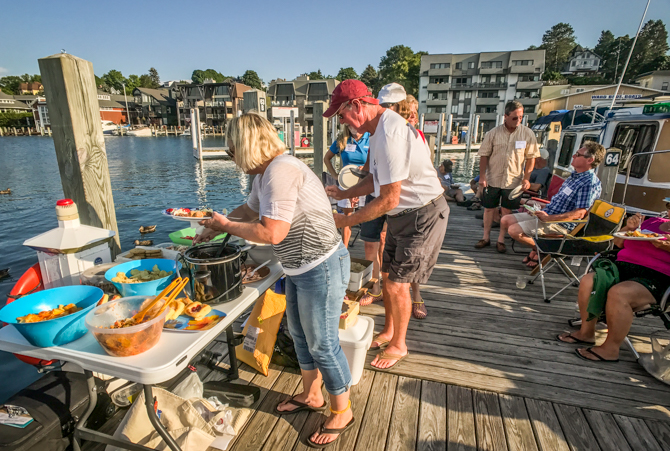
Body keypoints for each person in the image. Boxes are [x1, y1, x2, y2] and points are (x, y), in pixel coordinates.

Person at [194, 113, 354, 448]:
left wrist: (225, 227)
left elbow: (271, 232)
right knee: (299, 335)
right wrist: (213, 224)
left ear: (248, 146)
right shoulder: (264, 175)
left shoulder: (281, 170)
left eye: (231, 151)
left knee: (323, 343)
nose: (232, 159)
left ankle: (343, 409)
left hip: (321, 265)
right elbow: (249, 212)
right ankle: (313, 396)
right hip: (298, 267)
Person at [324, 79, 449, 370]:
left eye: (341, 115)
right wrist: (344, 193)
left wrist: (346, 220)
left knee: (395, 284)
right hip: (403, 215)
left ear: (357, 106)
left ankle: (399, 345)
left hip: (422, 214)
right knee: (391, 275)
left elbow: (389, 198)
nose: (342, 122)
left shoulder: (390, 131)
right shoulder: (379, 130)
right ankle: (390, 331)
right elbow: (373, 180)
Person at [557, 211, 670, 362]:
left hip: (657, 277)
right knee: (589, 281)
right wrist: (628, 228)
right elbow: (618, 242)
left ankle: (610, 349)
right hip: (621, 267)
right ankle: (586, 333)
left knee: (619, 293)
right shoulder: (653, 221)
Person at [373, 84, 430, 320]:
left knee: (407, 268)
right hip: (395, 207)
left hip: (413, 208)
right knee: (389, 261)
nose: (412, 115)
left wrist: (349, 218)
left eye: (414, 111)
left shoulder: (414, 135)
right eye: (410, 110)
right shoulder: (384, 133)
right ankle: (383, 299)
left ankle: (416, 295)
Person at [500, 141, 606, 268]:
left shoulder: (589, 183)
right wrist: (535, 209)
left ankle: (543, 250)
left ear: (590, 160)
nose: (573, 156)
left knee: (514, 230)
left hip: (560, 224)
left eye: (578, 154)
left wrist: (548, 218)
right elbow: (556, 204)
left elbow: (580, 212)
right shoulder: (574, 177)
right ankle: (539, 249)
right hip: (548, 215)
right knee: (506, 220)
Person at [475, 101, 540, 254]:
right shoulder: (493, 133)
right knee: (489, 209)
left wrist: (526, 178)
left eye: (521, 117)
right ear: (505, 116)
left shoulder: (527, 134)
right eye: (515, 118)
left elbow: (531, 157)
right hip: (493, 178)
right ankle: (485, 237)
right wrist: (482, 177)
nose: (518, 121)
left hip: (513, 180)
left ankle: (501, 240)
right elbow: (484, 155)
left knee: (507, 211)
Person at [324, 125, 370, 248]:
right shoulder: (343, 139)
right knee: (347, 217)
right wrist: (335, 176)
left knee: (368, 215)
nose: (354, 127)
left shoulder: (370, 137)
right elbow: (327, 158)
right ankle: (345, 250)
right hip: (347, 183)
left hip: (366, 182)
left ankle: (369, 248)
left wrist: (366, 168)